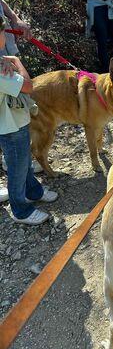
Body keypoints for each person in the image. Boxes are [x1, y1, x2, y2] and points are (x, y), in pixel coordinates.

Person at [0, 16, 58, 224]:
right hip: (10, 127)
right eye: (2, 31)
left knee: (24, 162)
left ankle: (33, 191)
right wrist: (17, 62)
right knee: (17, 168)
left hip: (17, 122)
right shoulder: (2, 69)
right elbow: (27, 86)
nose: (5, 34)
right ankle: (20, 210)